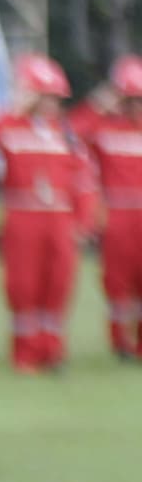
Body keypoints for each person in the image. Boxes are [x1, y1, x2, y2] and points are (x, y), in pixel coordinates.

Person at [0, 55, 91, 372]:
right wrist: (14, 109)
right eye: (44, 96)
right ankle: (26, 354)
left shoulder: (66, 133)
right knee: (23, 285)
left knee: (59, 283)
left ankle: (52, 350)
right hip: (23, 216)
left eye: (55, 97)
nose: (51, 104)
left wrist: (82, 222)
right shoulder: (11, 127)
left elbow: (82, 180)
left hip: (60, 217)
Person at [90, 56, 142, 362]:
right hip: (118, 214)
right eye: (130, 100)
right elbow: (73, 133)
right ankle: (120, 341)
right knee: (117, 282)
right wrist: (99, 104)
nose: (136, 106)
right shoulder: (106, 130)